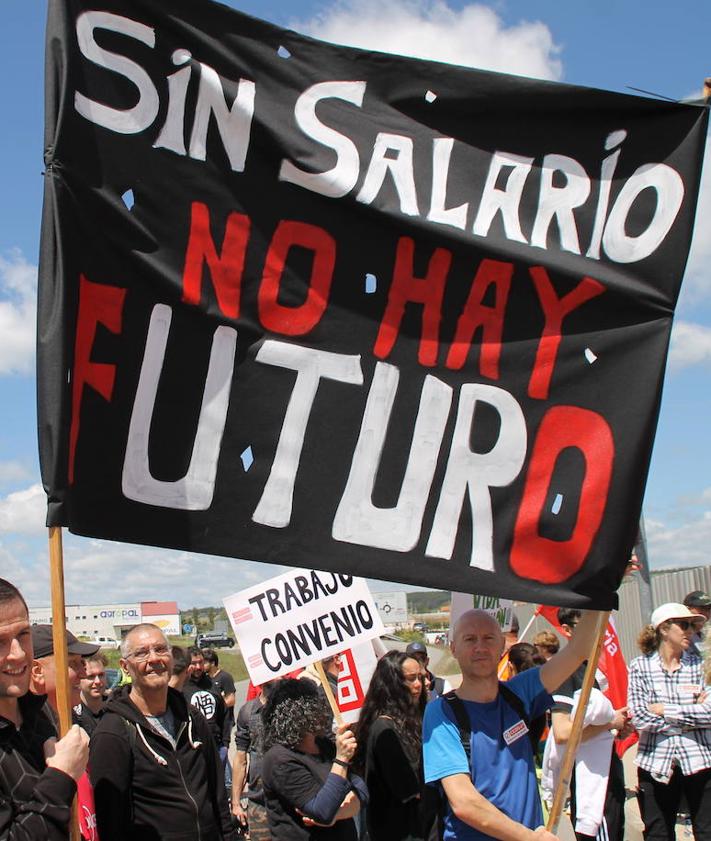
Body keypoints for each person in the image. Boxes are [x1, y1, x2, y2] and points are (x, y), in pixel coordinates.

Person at [423, 607, 600, 841]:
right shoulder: (441, 712)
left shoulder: (519, 692)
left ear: (502, 646)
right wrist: (529, 838)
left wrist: (600, 597)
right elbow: (464, 802)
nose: (480, 647)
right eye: (470, 639)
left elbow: (578, 651)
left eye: (488, 638)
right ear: (453, 648)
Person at [90, 623, 238, 841]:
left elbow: (216, 793)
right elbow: (110, 821)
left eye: (160, 649)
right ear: (124, 666)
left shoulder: (192, 718)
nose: (154, 659)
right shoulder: (113, 732)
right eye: (141, 653)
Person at [0, 577, 89, 840]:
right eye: (0, 641)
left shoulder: (43, 713)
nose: (17, 654)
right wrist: (61, 775)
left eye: (22, 635)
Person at [628, 602, 711, 841]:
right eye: (684, 625)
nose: (690, 632)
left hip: (701, 761)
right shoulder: (640, 667)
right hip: (656, 763)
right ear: (664, 629)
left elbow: (710, 713)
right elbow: (641, 718)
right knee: (658, 834)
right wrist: (692, 713)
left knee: (707, 832)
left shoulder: (701, 666)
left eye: (693, 627)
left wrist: (666, 710)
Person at [549, 609, 628, 841]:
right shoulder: (567, 671)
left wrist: (615, 727)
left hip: (605, 774)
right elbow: (562, 732)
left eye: (599, 624)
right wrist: (609, 724)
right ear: (567, 630)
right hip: (592, 784)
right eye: (588, 625)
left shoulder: (589, 668)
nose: (598, 632)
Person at [261, 678, 368, 840]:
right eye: (315, 705)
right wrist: (341, 759)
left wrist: (337, 814)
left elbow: (362, 791)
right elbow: (322, 810)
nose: (321, 711)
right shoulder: (278, 759)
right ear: (300, 713)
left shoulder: (325, 745)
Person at [353, 650, 437, 841]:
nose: (419, 684)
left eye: (421, 677)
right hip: (399, 830)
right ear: (392, 684)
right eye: (411, 678)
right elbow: (410, 790)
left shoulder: (415, 720)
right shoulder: (385, 729)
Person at [232, 679, 282, 840]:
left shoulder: (291, 708)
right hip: (259, 803)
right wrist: (236, 803)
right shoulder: (248, 711)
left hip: (290, 801)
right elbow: (240, 759)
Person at [30, 624, 99, 728]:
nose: (84, 674)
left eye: (81, 662)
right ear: (38, 671)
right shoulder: (17, 735)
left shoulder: (81, 723)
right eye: (72, 663)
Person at [184, 645, 231, 757]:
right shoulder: (181, 687)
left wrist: (225, 744)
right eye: (194, 663)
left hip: (216, 747)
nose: (198, 667)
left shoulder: (211, 685)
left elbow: (224, 714)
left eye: (201, 662)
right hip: (192, 750)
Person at [74, 652, 109, 736]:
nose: (97, 681)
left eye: (101, 675)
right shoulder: (73, 714)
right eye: (91, 676)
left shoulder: (115, 708)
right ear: (79, 679)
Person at [684, 591, 711, 655]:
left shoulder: (707, 633)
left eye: (708, 609)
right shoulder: (681, 633)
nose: (706, 613)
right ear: (688, 609)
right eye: (702, 608)